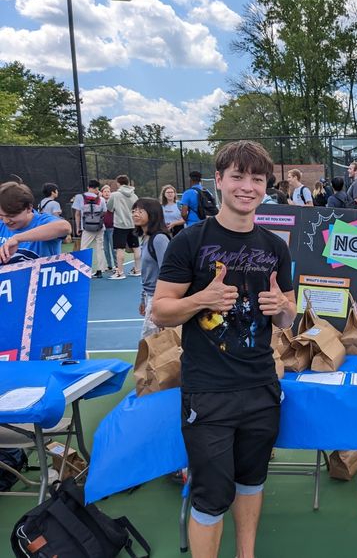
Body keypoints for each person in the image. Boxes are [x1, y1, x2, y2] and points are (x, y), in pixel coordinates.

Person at [151, 140, 296, 558]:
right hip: (209, 392)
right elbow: (161, 312)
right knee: (211, 496)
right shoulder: (189, 241)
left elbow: (287, 318)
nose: (247, 186)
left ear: (266, 185)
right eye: (237, 176)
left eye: (256, 178)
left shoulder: (275, 247)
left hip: (260, 386)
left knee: (252, 481)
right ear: (219, 181)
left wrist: (282, 308)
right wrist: (201, 300)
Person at [0, 181, 70, 264]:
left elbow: (65, 227)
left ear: (29, 208)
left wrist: (17, 239)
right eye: (1, 215)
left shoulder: (42, 221)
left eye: (11, 215)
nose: (5, 220)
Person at [132, 198, 171, 339]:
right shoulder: (146, 238)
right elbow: (146, 273)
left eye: (140, 211)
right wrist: (143, 298)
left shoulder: (159, 239)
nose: (135, 214)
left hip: (158, 298)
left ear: (152, 214)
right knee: (151, 343)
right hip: (150, 296)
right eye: (134, 211)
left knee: (148, 343)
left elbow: (167, 273)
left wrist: (159, 304)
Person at [106, 174, 140, 280]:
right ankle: (138, 270)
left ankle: (120, 272)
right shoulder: (135, 196)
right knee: (136, 247)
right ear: (128, 183)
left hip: (120, 225)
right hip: (133, 224)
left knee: (119, 248)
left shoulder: (115, 195)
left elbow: (109, 208)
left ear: (118, 183)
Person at [72, 179, 107, 278]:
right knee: (100, 248)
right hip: (99, 227)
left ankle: (84, 269)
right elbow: (104, 212)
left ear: (88, 187)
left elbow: (77, 214)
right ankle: (100, 270)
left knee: (84, 248)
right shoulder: (101, 199)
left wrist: (78, 227)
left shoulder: (80, 197)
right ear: (97, 188)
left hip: (87, 227)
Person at [100, 185, 115, 272]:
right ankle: (109, 265)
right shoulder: (100, 202)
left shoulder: (112, 201)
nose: (107, 193)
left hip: (112, 228)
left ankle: (117, 265)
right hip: (102, 228)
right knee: (105, 249)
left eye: (108, 191)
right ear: (102, 193)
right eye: (105, 191)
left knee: (114, 248)